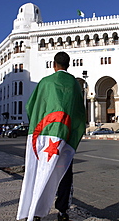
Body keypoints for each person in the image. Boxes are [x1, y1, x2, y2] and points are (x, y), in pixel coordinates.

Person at [17, 52, 86, 221]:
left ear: (54, 65)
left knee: (42, 170)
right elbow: (79, 113)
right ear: (68, 65)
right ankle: (62, 212)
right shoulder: (75, 85)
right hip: (65, 137)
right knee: (64, 173)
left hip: (45, 136)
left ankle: (37, 213)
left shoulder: (45, 83)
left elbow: (31, 106)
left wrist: (35, 125)